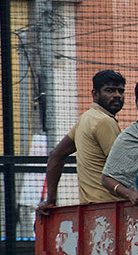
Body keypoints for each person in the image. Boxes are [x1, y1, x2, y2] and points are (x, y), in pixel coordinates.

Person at [43, 69, 125, 205]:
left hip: (89, 208)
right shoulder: (104, 122)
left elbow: (56, 155)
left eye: (120, 91)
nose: (117, 95)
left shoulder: (86, 118)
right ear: (95, 94)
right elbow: (122, 169)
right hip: (111, 207)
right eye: (110, 90)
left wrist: (50, 200)